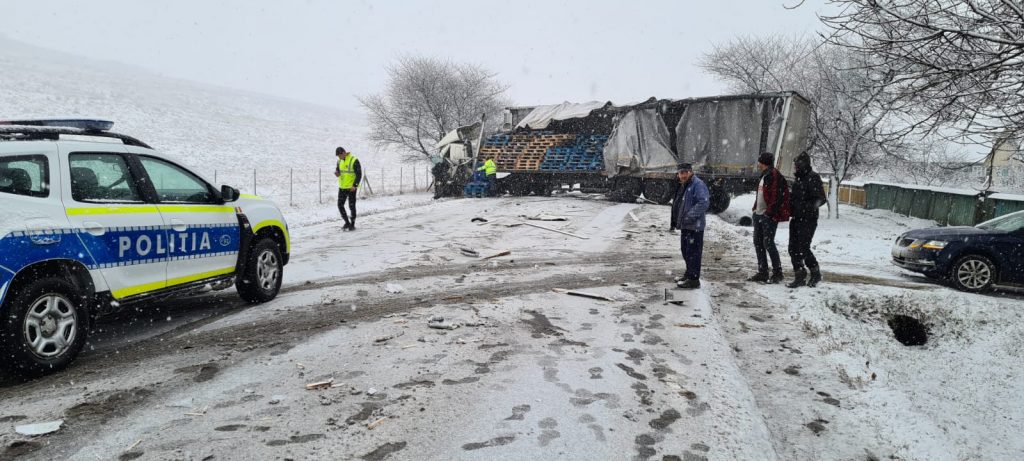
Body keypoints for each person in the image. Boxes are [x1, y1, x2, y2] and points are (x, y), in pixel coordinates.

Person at [748, 152, 790, 284]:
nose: (758, 164)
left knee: (768, 243)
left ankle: (778, 273)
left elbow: (777, 197)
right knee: (758, 242)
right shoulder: (764, 175)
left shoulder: (774, 175)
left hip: (768, 216)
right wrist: (755, 208)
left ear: (764, 162)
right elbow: (761, 194)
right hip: (759, 214)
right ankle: (763, 272)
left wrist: (769, 213)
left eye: (760, 162)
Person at [787, 151, 826, 287]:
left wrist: (805, 208)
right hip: (796, 218)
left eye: (797, 164)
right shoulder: (798, 178)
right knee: (792, 248)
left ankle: (815, 272)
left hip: (808, 219)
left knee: (803, 247)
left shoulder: (813, 177)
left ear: (803, 164)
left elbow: (821, 198)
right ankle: (799, 275)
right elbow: (795, 198)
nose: (795, 167)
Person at [670, 163, 710, 289]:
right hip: (686, 226)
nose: (682, 175)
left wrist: (689, 216)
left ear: (690, 172)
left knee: (693, 253)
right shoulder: (685, 184)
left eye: (685, 173)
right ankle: (688, 274)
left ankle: (693, 279)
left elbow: (703, 202)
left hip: (694, 227)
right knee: (686, 251)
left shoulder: (697, 184)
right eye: (680, 173)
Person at [333, 147, 362, 231]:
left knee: (351, 206)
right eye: (338, 156)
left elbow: (359, 174)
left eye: (339, 155)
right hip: (342, 187)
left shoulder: (354, 160)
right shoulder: (339, 161)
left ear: (344, 152)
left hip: (351, 188)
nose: (339, 157)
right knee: (340, 205)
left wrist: (355, 185)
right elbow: (338, 170)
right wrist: (337, 173)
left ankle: (352, 224)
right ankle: (347, 222)